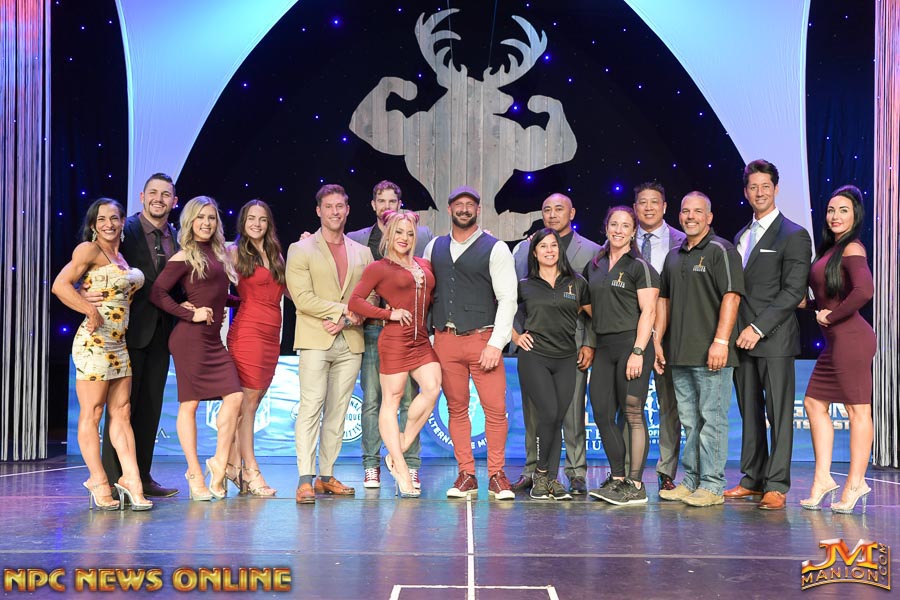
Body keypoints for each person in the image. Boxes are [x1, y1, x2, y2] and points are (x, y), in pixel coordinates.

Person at [52, 198, 152, 510]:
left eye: (114, 218)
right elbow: (60, 285)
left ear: (123, 222)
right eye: (102, 219)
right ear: (94, 225)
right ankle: (97, 479)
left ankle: (131, 480)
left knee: (122, 413)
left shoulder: (121, 256)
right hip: (94, 342)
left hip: (118, 344)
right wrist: (88, 308)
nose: (108, 224)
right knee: (93, 413)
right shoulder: (89, 250)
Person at [726, 160, 812, 510]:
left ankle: (776, 484)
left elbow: (793, 293)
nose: (759, 192)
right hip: (740, 340)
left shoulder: (794, 234)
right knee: (749, 412)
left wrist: (758, 328)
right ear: (746, 192)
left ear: (776, 189)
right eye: (753, 187)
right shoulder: (740, 236)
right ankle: (753, 478)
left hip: (773, 339)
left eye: (765, 186)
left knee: (778, 414)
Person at [424, 186, 518, 501]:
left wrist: (496, 344)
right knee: (456, 408)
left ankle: (496, 475)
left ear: (478, 210)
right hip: (446, 341)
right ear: (449, 209)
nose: (464, 209)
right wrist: (431, 336)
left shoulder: (496, 248)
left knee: (496, 410)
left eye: (470, 205)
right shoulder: (434, 247)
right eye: (458, 204)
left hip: (482, 339)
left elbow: (508, 299)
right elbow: (427, 294)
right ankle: (466, 474)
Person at [654, 192, 744, 507]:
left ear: (709, 217)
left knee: (712, 420)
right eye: (685, 211)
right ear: (679, 216)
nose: (690, 216)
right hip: (679, 353)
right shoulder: (673, 256)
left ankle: (713, 485)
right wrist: (657, 341)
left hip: (712, 353)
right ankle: (691, 481)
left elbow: (732, 296)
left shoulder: (722, 250)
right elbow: (663, 301)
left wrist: (721, 341)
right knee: (691, 423)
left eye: (697, 211)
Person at [150, 196, 243, 501]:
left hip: (212, 339)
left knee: (235, 397)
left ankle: (218, 461)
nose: (206, 223)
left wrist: (241, 301)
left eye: (211, 218)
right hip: (189, 339)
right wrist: (189, 313)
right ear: (190, 222)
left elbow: (214, 293)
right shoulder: (184, 255)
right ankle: (193, 472)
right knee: (189, 405)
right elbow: (158, 293)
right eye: (200, 217)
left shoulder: (217, 253)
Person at [285, 184, 372, 504]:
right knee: (311, 407)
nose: (335, 211)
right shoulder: (301, 249)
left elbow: (372, 297)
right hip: (315, 339)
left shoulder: (362, 252)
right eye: (329, 206)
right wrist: (343, 311)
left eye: (340, 206)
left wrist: (347, 320)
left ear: (347, 210)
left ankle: (326, 476)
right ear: (318, 211)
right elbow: (302, 298)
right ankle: (305, 478)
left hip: (350, 340)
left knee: (338, 411)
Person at [347, 180, 434, 489]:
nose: (404, 237)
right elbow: (354, 298)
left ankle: (404, 455)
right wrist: (387, 314)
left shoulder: (422, 250)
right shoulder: (362, 245)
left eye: (392, 201)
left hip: (417, 336)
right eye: (380, 201)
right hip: (381, 332)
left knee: (424, 392)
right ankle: (378, 465)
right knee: (378, 399)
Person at [511, 193, 599, 495]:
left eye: (558, 209)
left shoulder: (588, 260)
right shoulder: (524, 270)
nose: (552, 214)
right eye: (546, 209)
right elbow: (506, 308)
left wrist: (591, 343)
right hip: (535, 352)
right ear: (535, 252)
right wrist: (516, 336)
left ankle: (568, 474)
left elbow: (596, 314)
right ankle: (537, 473)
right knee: (542, 415)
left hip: (570, 350)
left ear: (571, 213)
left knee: (566, 415)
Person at [98, 173, 180, 498]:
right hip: (126, 333)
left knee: (150, 408)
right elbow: (96, 259)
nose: (159, 199)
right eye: (154, 193)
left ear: (174, 201)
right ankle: (113, 480)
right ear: (142, 197)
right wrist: (86, 291)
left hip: (162, 334)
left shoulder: (177, 236)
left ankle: (141, 476)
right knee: (121, 409)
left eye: (166, 194)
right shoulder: (125, 229)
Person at [801, 185, 875, 514]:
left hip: (852, 339)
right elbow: (831, 294)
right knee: (813, 403)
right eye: (831, 210)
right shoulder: (832, 250)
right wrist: (811, 304)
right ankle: (822, 479)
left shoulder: (852, 247)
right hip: (836, 342)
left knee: (857, 411)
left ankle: (856, 482)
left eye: (843, 210)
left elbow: (865, 290)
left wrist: (831, 315)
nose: (835, 216)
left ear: (855, 215)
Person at [584, 207, 659, 505]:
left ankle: (636, 484)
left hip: (632, 345)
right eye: (614, 224)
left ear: (633, 231)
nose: (618, 230)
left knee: (632, 412)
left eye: (625, 225)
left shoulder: (639, 266)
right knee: (601, 412)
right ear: (606, 227)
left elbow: (649, 312)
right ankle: (617, 479)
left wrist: (638, 351)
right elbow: (589, 304)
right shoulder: (595, 265)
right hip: (604, 347)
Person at [225, 200, 287, 497]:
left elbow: (291, 291)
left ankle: (231, 464)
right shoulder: (234, 251)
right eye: (251, 218)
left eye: (262, 219)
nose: (257, 224)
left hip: (272, 332)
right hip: (248, 330)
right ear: (243, 221)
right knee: (247, 402)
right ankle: (250, 469)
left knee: (253, 402)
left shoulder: (276, 254)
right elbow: (212, 283)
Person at [633, 181, 686, 493]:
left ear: (665, 207)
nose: (649, 207)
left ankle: (667, 471)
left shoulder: (683, 240)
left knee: (669, 407)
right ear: (635, 207)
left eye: (655, 202)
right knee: (631, 404)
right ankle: (630, 473)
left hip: (672, 335)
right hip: (633, 336)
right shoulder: (621, 239)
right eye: (643, 202)